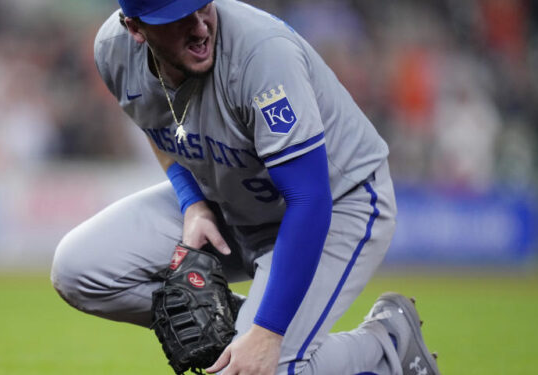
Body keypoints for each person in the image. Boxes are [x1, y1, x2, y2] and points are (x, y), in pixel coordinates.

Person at [51, 0, 441, 374]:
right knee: (78, 271)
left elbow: (309, 199)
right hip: (229, 196)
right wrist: (192, 203)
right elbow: (159, 126)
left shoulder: (262, 55)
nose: (200, 26)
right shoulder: (113, 51)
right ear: (135, 28)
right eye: (177, 17)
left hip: (337, 203)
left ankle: (386, 347)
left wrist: (268, 332)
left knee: (257, 367)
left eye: (201, 5)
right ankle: (250, 330)